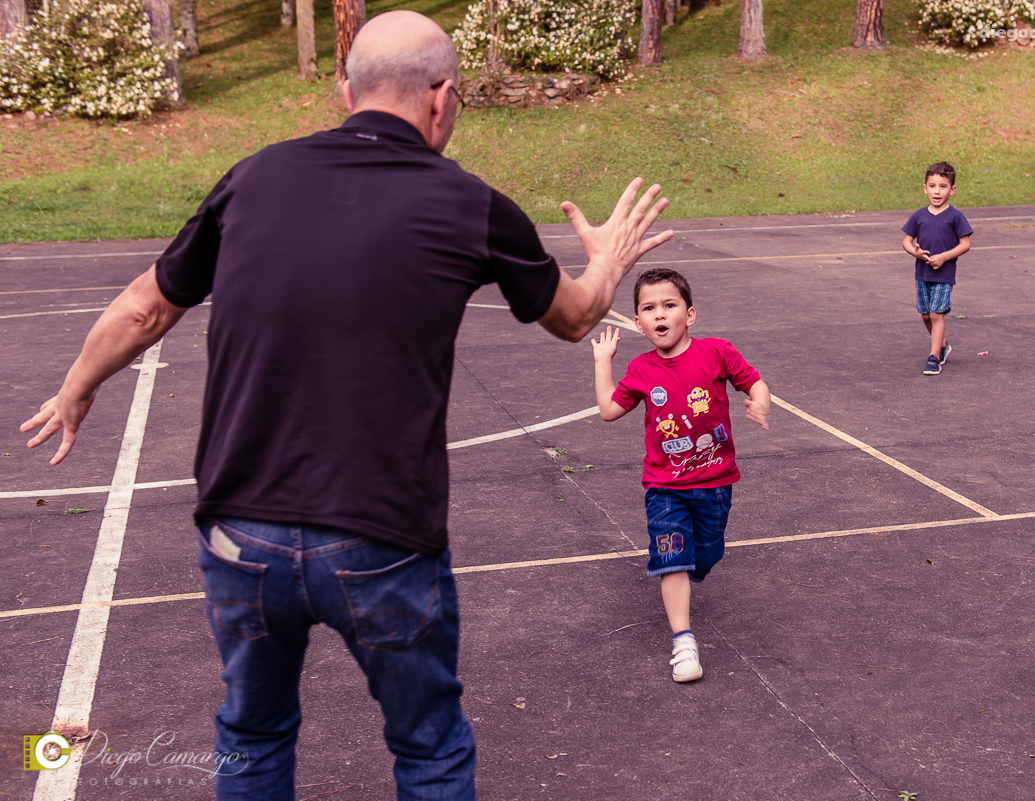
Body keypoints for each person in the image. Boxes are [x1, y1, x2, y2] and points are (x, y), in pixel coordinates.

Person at [20, 10, 673, 800]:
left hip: (242, 531)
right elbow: (574, 318)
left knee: (252, 736)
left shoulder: (253, 177)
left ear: (345, 91)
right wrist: (607, 261)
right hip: (383, 535)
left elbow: (143, 308)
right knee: (428, 749)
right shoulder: (468, 202)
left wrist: (76, 386)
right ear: (442, 97)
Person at [590, 267, 769, 683]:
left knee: (705, 556)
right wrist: (603, 363)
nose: (659, 314)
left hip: (715, 483)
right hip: (664, 486)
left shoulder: (716, 352)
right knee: (671, 560)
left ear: (689, 315)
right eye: (648, 308)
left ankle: (693, 566)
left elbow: (755, 383)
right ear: (638, 323)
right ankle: (683, 642)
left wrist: (760, 403)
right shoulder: (641, 369)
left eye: (669, 305)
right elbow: (609, 410)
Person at [900, 161, 973, 376]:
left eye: (943, 186)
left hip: (944, 275)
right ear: (925, 188)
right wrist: (915, 253)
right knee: (925, 315)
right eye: (932, 186)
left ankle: (934, 356)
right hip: (922, 274)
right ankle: (942, 344)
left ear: (952, 189)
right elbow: (906, 241)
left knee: (936, 314)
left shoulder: (956, 216)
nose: (937, 191)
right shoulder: (919, 216)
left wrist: (943, 257)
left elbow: (965, 244)